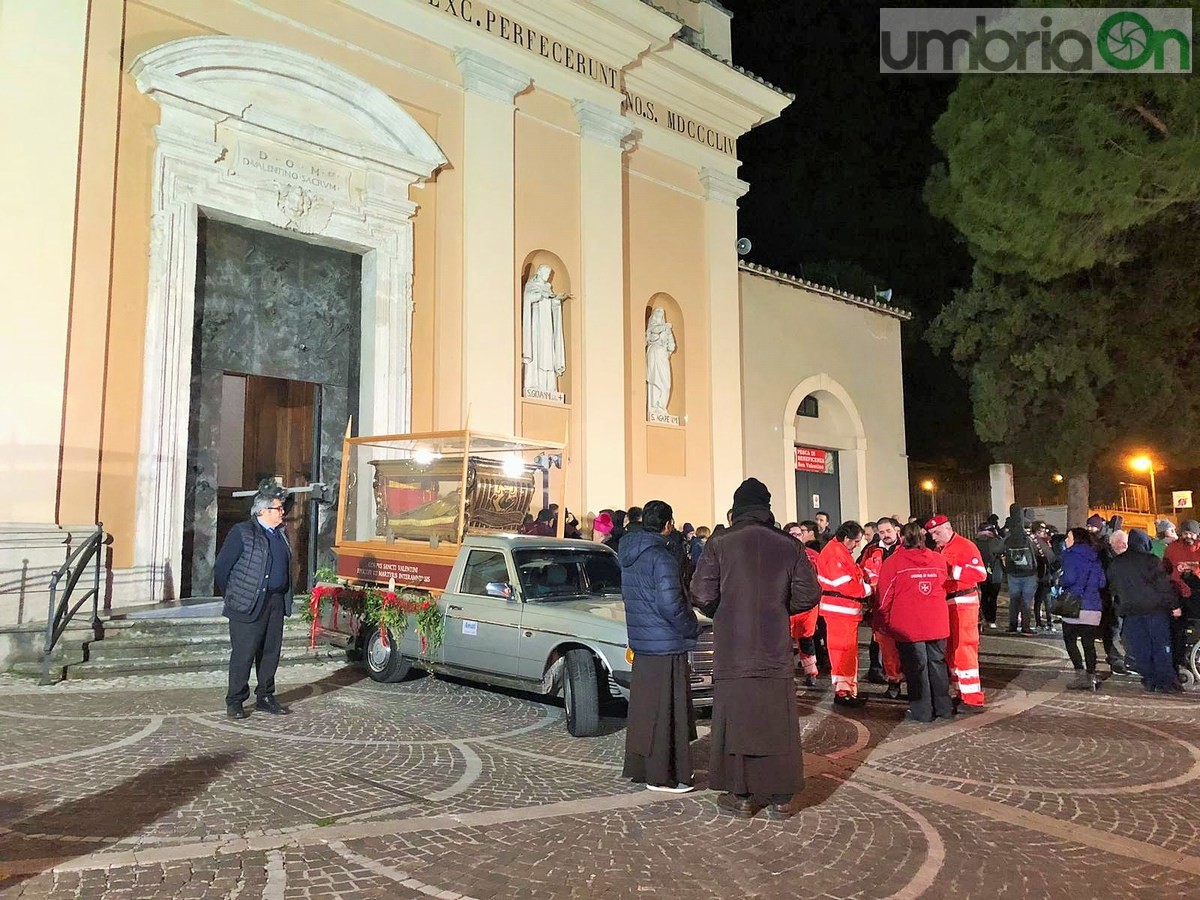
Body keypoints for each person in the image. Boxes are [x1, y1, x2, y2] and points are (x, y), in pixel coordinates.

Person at [691, 477, 820, 820]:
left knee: (738, 720)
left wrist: (729, 609)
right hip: (774, 647)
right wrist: (777, 608)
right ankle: (781, 797)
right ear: (767, 508)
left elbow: (702, 595)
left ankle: (742, 794)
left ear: (737, 509)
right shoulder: (789, 545)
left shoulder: (721, 542)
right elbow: (809, 595)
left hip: (735, 647)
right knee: (777, 721)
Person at [620, 500, 701, 792]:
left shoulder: (629, 554)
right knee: (670, 712)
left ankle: (644, 769)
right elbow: (671, 604)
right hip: (666, 643)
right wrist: (691, 626)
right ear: (668, 525)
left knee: (646, 712)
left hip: (643, 643)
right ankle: (665, 775)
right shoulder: (662, 557)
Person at [214, 481, 294, 719]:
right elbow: (221, 568)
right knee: (244, 653)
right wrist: (234, 595)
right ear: (262, 511)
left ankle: (266, 696)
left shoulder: (281, 533)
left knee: (270, 652)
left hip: (275, 602)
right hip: (247, 603)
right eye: (278, 508)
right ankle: (236, 700)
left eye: (281, 508)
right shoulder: (242, 532)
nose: (282, 512)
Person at [875, 522, 954, 723]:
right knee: (937, 664)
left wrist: (882, 620)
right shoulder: (938, 559)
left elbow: (884, 597)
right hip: (936, 622)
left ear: (901, 537)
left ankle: (922, 711)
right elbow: (943, 584)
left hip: (908, 626)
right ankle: (943, 708)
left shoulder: (893, 563)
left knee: (916, 668)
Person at [1108, 529, 1182, 693]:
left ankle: (1149, 679)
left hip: (1130, 612)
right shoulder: (1151, 560)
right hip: (1155, 610)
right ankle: (1166, 681)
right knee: (1160, 646)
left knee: (1140, 649)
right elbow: (1163, 586)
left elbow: (1113, 588)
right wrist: (1174, 606)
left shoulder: (1116, 563)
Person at [926, 514, 988, 710]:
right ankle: (960, 691)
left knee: (964, 647)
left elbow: (980, 574)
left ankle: (973, 698)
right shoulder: (939, 549)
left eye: (936, 532)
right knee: (952, 649)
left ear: (948, 528)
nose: (934, 537)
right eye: (931, 534)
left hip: (964, 601)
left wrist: (951, 571)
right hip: (948, 602)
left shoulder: (965, 546)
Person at [817, 521, 872, 707]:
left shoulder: (838, 551)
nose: (857, 545)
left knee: (847, 651)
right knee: (842, 651)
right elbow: (845, 585)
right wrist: (867, 590)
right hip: (840, 610)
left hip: (844, 611)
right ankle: (843, 691)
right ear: (847, 538)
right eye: (856, 541)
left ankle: (848, 689)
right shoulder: (834, 554)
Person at [859, 517, 904, 699]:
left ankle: (909, 681)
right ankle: (893, 682)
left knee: (905, 646)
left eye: (888, 531)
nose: (885, 535)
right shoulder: (870, 551)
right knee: (884, 647)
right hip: (878, 606)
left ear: (896, 530)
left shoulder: (905, 549)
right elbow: (860, 571)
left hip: (901, 606)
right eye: (882, 532)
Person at [1057, 527, 1107, 691]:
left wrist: (1061, 581)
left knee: (1070, 640)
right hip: (1093, 607)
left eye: (1068, 537)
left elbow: (1069, 578)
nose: (1066, 540)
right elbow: (1102, 582)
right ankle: (1091, 676)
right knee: (1089, 643)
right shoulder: (1095, 557)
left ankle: (1079, 674)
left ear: (1076, 539)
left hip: (1074, 606)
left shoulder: (1070, 556)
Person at [785, 521, 822, 686]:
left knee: (807, 638)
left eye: (798, 534)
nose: (796, 537)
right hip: (786, 605)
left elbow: (822, 579)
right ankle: (786, 675)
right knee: (784, 641)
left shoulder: (813, 555)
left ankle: (811, 672)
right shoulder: (778, 555)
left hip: (808, 606)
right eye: (792, 535)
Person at [521, 264, 568, 394]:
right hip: (536, 322)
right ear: (539, 272)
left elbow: (553, 305)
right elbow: (529, 298)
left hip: (547, 324)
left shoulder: (548, 288)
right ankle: (532, 383)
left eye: (548, 274)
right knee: (536, 350)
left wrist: (556, 299)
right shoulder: (531, 285)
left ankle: (549, 386)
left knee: (547, 353)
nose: (547, 276)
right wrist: (542, 295)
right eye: (545, 273)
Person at [1001, 504, 1038, 635]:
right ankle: (1026, 627)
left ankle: (1012, 626)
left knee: (1014, 600)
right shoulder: (1027, 535)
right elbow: (1038, 551)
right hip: (1029, 573)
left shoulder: (1008, 534)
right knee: (1026, 601)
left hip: (1013, 573)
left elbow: (997, 550)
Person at [645, 307, 676, 415]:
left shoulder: (667, 329)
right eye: (658, 312)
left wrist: (668, 352)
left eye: (662, 313)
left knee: (666, 383)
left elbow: (672, 345)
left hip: (663, 356)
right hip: (654, 354)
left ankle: (662, 407)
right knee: (654, 380)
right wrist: (665, 327)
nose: (660, 314)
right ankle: (654, 407)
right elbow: (653, 332)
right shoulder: (652, 328)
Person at [976, 523, 1004, 629]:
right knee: (993, 597)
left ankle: (985, 617)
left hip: (982, 572)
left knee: (984, 595)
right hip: (995, 572)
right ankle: (991, 619)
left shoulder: (976, 542)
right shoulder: (997, 541)